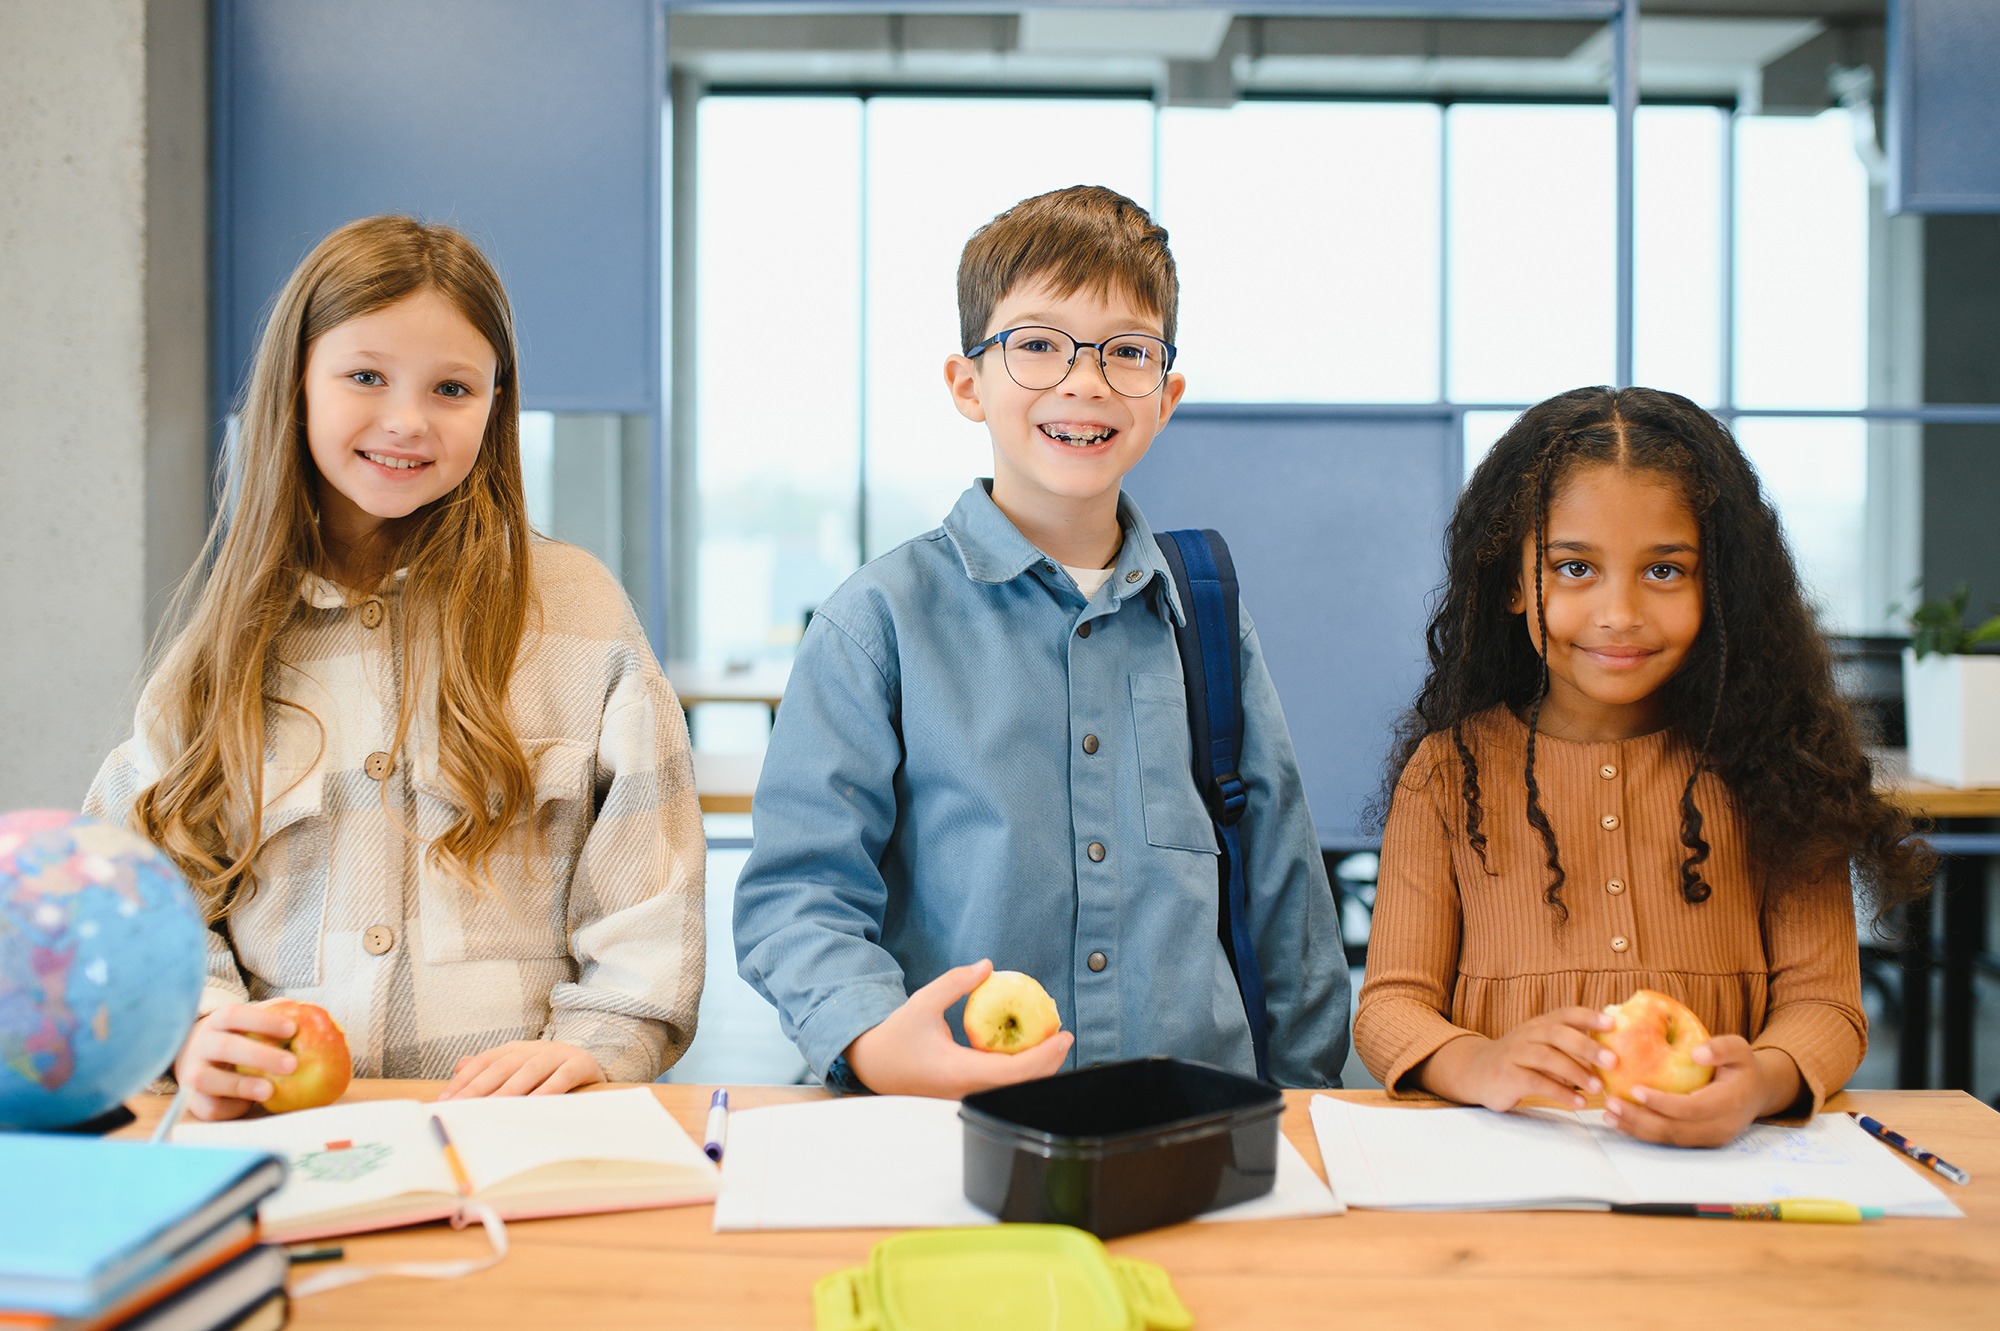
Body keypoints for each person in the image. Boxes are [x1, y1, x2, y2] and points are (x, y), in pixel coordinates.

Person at [733, 185, 1350, 1097]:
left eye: (1127, 352)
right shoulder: (878, 619)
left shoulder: (1205, 611)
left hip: (1189, 1113)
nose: (1085, 380)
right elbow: (800, 891)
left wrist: (1308, 1102)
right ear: (966, 383)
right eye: (1037, 344)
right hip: (948, 1117)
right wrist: (867, 1038)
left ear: (1166, 394)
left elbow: (1284, 889)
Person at [84, 216, 704, 1120]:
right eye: (366, 376)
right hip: (277, 1128)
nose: (408, 420)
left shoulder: (579, 610)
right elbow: (141, 881)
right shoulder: (221, 647)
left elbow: (651, 886)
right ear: (296, 384)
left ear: (497, 403)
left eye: (453, 387)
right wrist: (197, 1025)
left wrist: (600, 1042)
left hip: (517, 1134)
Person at [1353, 385, 1932, 1146]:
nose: (1619, 612)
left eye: (1664, 571)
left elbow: (1827, 1008)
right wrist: (1480, 1063)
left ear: (1718, 585)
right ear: (1509, 583)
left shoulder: (1777, 768)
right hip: (1508, 1183)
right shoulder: (1446, 773)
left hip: (1725, 1179)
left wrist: (1758, 1081)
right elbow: (1391, 1005)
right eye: (1573, 568)